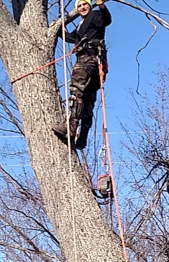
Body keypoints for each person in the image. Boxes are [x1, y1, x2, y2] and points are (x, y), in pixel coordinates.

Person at [52, 0, 112, 150]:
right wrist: (57, 29)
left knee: (76, 89)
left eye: (84, 4)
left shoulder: (95, 15)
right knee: (87, 100)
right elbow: (72, 38)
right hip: (94, 66)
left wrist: (101, 6)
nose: (82, 8)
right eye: (79, 6)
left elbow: (106, 20)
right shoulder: (81, 25)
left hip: (89, 60)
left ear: (89, 6)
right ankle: (82, 137)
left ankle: (71, 127)